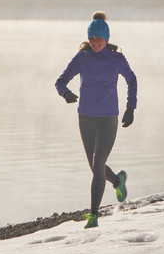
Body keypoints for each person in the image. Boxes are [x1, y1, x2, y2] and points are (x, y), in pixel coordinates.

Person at [55, 11, 138, 229]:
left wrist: (131, 107)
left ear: (106, 38)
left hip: (108, 118)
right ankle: (118, 181)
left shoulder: (117, 59)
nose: (95, 43)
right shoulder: (82, 58)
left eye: (99, 39)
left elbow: (132, 80)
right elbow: (60, 81)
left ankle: (93, 215)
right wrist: (66, 94)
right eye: (92, 39)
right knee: (95, 167)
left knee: (98, 163)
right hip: (86, 118)